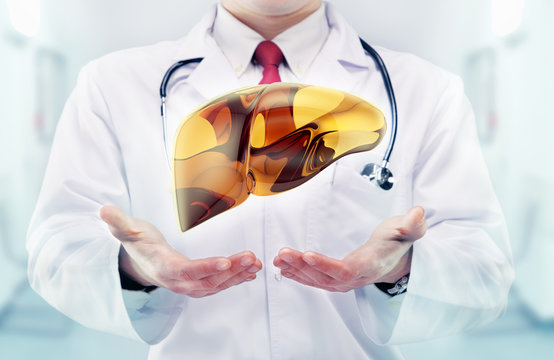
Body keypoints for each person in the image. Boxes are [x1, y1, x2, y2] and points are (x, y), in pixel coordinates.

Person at [26, 0, 514, 358]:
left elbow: (484, 266)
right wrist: (136, 270)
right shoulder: (113, 85)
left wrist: (398, 268)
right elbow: (58, 245)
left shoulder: (425, 91)